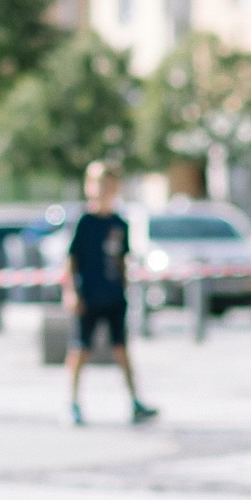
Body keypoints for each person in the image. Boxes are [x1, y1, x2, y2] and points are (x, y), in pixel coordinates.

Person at [63, 162, 157, 426]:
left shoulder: (119, 222)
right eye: (100, 183)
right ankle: (72, 403)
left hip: (114, 295)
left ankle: (135, 402)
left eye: (110, 184)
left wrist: (126, 287)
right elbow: (70, 259)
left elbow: (122, 258)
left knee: (122, 349)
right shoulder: (83, 221)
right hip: (88, 295)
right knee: (81, 349)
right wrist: (71, 292)